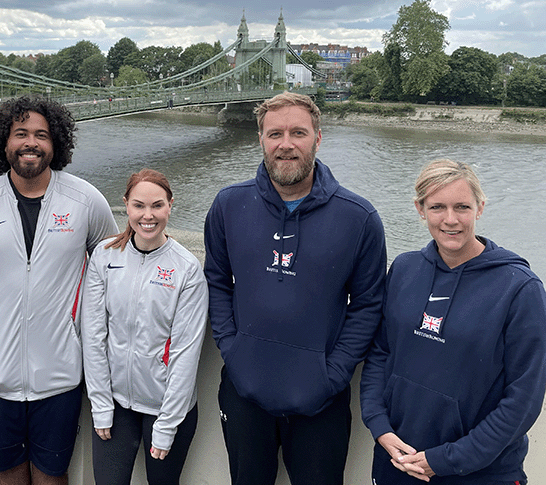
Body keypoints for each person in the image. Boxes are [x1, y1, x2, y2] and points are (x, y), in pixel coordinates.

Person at [203, 91, 387, 485]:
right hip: (244, 392)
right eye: (275, 134)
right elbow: (216, 281)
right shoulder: (228, 205)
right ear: (261, 140)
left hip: (321, 400)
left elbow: (368, 305)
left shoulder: (359, 218)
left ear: (318, 139)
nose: (286, 144)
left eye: (298, 133)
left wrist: (334, 373)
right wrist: (233, 350)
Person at [0, 95, 117, 484]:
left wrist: (82, 340)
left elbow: (112, 271)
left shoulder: (86, 201)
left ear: (55, 143)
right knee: (6, 475)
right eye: (20, 133)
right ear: (3, 143)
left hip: (60, 374)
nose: (31, 142)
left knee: (52, 475)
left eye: (41, 134)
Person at [360, 159, 546, 484]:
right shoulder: (403, 270)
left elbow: (524, 398)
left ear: (480, 207)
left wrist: (448, 459)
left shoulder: (520, 289)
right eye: (437, 207)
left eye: (462, 206)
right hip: (398, 460)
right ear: (420, 209)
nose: (450, 220)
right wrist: (379, 426)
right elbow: (380, 353)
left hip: (481, 472)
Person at [81, 169, 208, 485]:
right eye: (139, 206)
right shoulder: (105, 256)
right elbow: (94, 336)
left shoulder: (186, 269)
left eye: (157, 206)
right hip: (114, 404)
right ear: (126, 205)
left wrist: (167, 426)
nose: (148, 216)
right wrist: (100, 405)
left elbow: (185, 353)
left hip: (166, 409)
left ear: (170, 205)